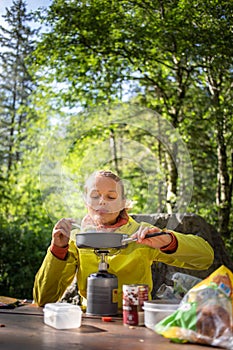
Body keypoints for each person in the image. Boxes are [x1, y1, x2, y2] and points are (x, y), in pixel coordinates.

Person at [33, 170, 214, 308]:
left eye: (111, 197)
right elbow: (43, 299)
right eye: (95, 196)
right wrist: (57, 250)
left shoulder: (142, 235)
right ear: (86, 202)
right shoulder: (76, 239)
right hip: (91, 320)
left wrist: (169, 241)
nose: (102, 201)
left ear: (123, 203)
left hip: (136, 318)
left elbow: (205, 258)